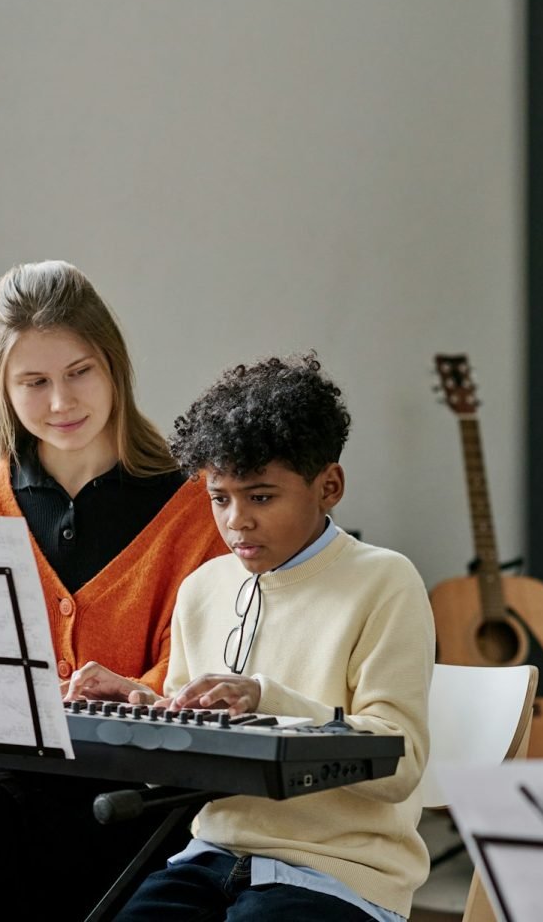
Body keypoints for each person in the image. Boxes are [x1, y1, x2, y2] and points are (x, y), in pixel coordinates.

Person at [0, 260, 227, 921]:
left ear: (114, 366)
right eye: (33, 382)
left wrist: (136, 691)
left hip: (133, 793)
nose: (60, 402)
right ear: (2, 388)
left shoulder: (195, 502)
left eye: (79, 372)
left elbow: (201, 665)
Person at [73, 352, 435, 922]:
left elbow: (402, 763)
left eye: (261, 497)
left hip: (338, 874)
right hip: (208, 857)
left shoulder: (384, 581)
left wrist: (265, 698)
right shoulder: (202, 589)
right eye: (220, 498)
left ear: (329, 486)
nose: (236, 520)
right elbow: (179, 771)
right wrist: (142, 710)